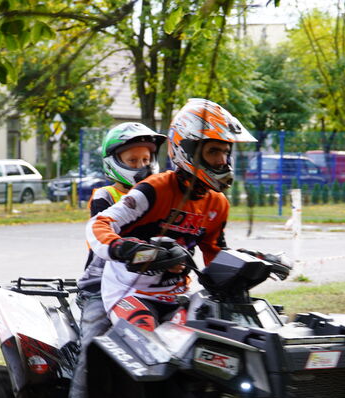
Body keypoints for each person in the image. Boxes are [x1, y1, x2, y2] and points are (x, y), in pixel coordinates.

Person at [85, 98, 257, 331]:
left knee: (216, 339)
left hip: (179, 295)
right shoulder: (155, 189)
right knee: (143, 347)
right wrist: (129, 250)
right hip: (130, 292)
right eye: (213, 151)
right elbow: (99, 224)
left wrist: (251, 263)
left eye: (226, 152)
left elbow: (214, 257)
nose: (222, 161)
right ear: (188, 150)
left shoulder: (218, 203)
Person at [64, 122, 166, 398]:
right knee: (91, 349)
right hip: (101, 288)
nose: (142, 165)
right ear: (114, 161)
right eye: (133, 159)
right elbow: (112, 229)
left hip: (153, 289)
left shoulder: (162, 195)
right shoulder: (106, 196)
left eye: (147, 158)